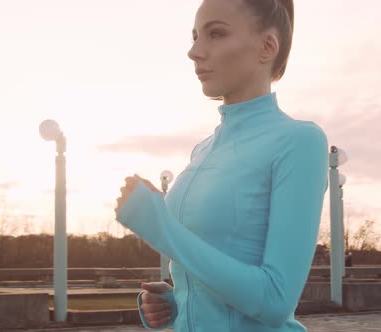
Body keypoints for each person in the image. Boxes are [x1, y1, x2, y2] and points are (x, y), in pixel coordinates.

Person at [115, 0, 329, 330]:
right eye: (195, 36)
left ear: (267, 46)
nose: (194, 51)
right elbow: (216, 274)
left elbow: (274, 300)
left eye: (215, 34)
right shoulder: (202, 150)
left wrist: (161, 228)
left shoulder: (300, 141)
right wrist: (177, 301)